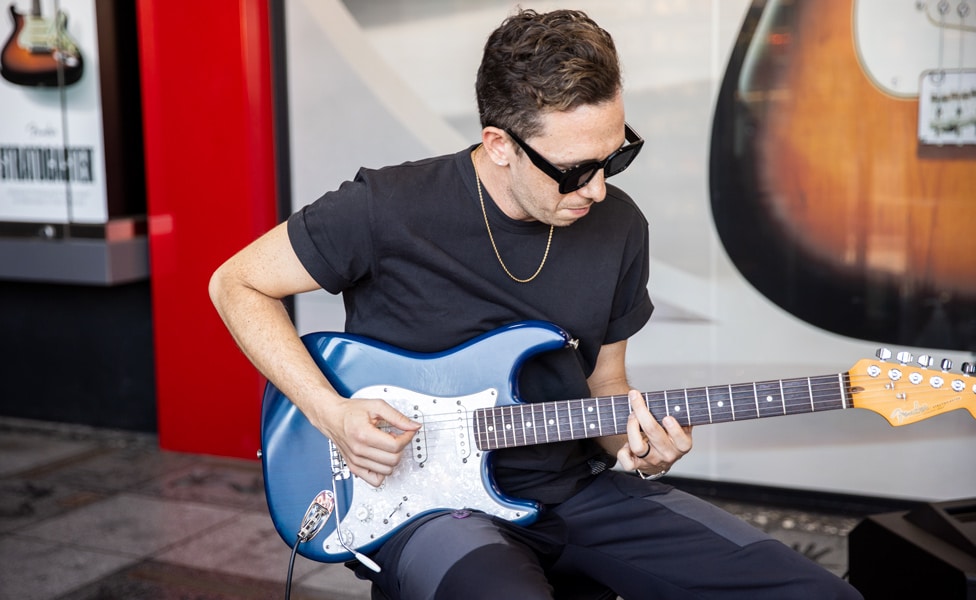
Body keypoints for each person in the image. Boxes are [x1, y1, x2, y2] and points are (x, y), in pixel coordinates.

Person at [209, 8, 862, 599]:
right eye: (577, 170)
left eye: (617, 157)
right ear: (499, 145)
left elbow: (606, 389)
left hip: (574, 491)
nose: (599, 190)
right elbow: (236, 284)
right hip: (430, 510)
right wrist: (331, 414)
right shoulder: (385, 207)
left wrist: (640, 445)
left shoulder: (620, 227)